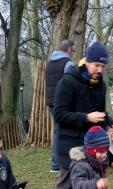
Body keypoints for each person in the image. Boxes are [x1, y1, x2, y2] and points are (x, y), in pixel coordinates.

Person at [51, 41, 113, 189]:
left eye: (102, 66)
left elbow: (101, 112)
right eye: (96, 65)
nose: (99, 70)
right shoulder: (68, 81)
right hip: (69, 143)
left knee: (95, 180)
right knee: (66, 184)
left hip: (92, 145)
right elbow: (59, 114)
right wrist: (86, 117)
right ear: (87, 61)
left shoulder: (100, 85)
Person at [45, 39, 75, 173]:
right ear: (69, 50)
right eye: (73, 51)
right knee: (61, 130)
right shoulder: (67, 63)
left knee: (59, 129)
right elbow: (70, 84)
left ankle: (59, 161)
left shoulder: (50, 63)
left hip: (51, 101)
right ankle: (56, 163)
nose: (73, 53)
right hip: (63, 102)